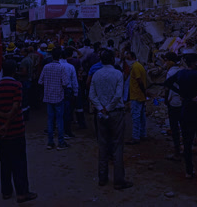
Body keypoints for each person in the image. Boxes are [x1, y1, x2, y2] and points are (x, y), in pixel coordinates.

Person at [0, 59, 37, 203]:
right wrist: (8, 121)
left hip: (1, 132)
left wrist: (3, 120)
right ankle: (22, 193)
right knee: (20, 163)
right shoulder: (17, 85)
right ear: (14, 71)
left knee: (5, 163)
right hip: (16, 130)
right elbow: (16, 106)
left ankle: (6, 192)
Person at [89, 49, 133, 190]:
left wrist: (100, 108)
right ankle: (119, 180)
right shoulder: (117, 74)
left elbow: (91, 94)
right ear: (113, 60)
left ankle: (102, 178)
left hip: (101, 113)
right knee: (117, 146)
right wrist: (108, 107)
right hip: (115, 113)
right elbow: (118, 94)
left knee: (102, 145)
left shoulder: (96, 74)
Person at [165, 51, 197, 182]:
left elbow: (167, 83)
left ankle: (189, 171)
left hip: (185, 108)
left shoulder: (180, 73)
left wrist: (182, 94)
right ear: (194, 63)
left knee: (187, 140)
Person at [38, 47, 70, 150]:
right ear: (60, 56)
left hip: (48, 97)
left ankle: (50, 142)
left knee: (50, 120)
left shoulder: (46, 67)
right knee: (60, 120)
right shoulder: (61, 68)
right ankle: (60, 142)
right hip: (59, 97)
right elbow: (65, 83)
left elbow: (40, 81)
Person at [126, 52, 147, 145]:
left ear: (133, 57)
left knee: (136, 117)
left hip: (136, 95)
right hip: (140, 95)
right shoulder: (139, 65)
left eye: (128, 58)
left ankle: (135, 136)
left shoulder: (135, 67)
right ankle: (143, 134)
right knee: (142, 117)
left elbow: (139, 81)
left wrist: (144, 92)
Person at [164, 52, 182, 161]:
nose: (165, 63)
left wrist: (166, 99)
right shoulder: (180, 71)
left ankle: (177, 151)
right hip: (181, 101)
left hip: (173, 101)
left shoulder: (170, 73)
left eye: (166, 60)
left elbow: (167, 88)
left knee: (174, 126)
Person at [60, 48, 79, 139]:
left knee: (58, 111)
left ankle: (59, 130)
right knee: (67, 112)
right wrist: (75, 93)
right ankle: (67, 132)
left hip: (56, 90)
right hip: (68, 90)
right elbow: (74, 81)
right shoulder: (70, 67)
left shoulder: (55, 66)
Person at [17, 48, 33, 121]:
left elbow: (24, 72)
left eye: (22, 52)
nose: (20, 53)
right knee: (27, 99)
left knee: (24, 99)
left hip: (24, 80)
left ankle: (24, 116)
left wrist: (16, 73)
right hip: (29, 80)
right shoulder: (29, 59)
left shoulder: (24, 61)